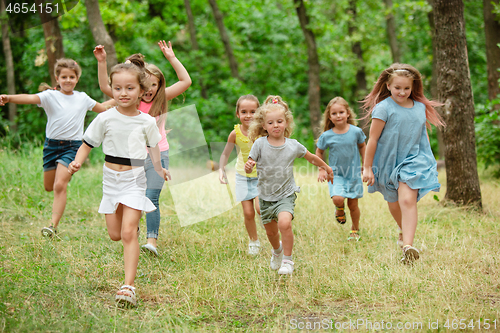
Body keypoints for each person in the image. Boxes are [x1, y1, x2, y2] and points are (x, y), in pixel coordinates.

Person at [68, 55, 170, 307]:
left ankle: (128, 286)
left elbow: (154, 146)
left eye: (130, 88)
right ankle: (130, 231)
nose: (123, 93)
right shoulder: (105, 117)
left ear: (141, 91)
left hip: (135, 178)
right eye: (118, 88)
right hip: (110, 180)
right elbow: (87, 143)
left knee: (127, 234)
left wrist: (158, 167)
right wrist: (77, 161)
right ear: (111, 89)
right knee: (116, 234)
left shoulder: (147, 121)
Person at [94, 40, 191, 257]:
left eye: (155, 85)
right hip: (133, 158)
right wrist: (102, 62)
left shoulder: (162, 98)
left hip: (159, 155)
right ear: (139, 87)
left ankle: (151, 242)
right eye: (146, 85)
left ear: (159, 86)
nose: (150, 90)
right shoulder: (133, 101)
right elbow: (104, 87)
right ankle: (132, 233)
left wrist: (171, 58)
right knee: (132, 198)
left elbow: (186, 81)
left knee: (152, 197)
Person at [0, 58, 114, 237]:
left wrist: (120, 99)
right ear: (57, 78)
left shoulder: (82, 98)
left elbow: (102, 108)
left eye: (72, 77)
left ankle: (52, 226)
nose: (68, 80)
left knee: (60, 185)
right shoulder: (49, 96)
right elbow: (29, 98)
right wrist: (9, 98)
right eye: (64, 77)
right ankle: (61, 180)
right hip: (51, 146)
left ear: (77, 78)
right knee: (49, 186)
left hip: (73, 147)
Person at [361, 63, 445, 264]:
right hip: (388, 161)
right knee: (394, 202)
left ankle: (408, 246)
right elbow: (372, 139)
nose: (402, 92)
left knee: (407, 200)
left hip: (414, 160)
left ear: (413, 87)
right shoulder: (383, 108)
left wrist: (427, 159)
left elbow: (419, 135)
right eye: (397, 87)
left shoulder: (419, 108)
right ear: (388, 86)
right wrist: (367, 167)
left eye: (407, 88)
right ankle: (402, 230)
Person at [245, 95, 334, 275]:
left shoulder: (293, 145)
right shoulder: (259, 144)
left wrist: (325, 167)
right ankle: (277, 251)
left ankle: (287, 260)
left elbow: (310, 157)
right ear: (264, 126)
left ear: (286, 123)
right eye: (270, 123)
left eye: (279, 121)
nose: (275, 125)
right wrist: (249, 166)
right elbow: (249, 165)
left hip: (286, 193)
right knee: (271, 233)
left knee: (284, 223)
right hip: (265, 196)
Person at [316, 97, 366, 241]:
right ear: (330, 117)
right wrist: (321, 169)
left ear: (348, 113)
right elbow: (319, 152)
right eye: (334, 113)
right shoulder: (327, 135)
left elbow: (363, 146)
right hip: (335, 174)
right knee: (338, 198)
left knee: (353, 204)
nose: (338, 116)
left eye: (341, 112)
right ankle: (339, 208)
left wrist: (366, 164)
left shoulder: (356, 132)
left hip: (354, 174)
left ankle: (355, 230)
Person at [219, 95, 262, 255]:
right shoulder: (235, 133)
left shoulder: (264, 131)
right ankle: (254, 241)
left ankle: (269, 226)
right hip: (242, 177)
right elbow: (225, 154)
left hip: (261, 177)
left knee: (259, 209)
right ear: (238, 114)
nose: (248, 115)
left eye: (253, 111)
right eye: (244, 112)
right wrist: (221, 169)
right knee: (248, 212)